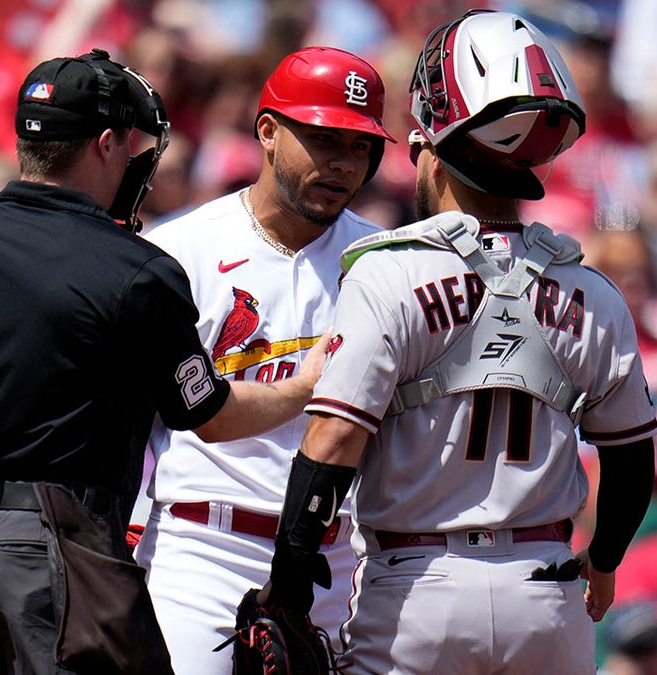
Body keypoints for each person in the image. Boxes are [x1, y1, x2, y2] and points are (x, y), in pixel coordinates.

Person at [0, 48, 329, 674]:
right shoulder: (136, 267)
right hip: (60, 547)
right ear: (105, 144)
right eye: (130, 145)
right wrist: (309, 382)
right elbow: (211, 415)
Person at [255, 9, 657, 674]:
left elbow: (331, 443)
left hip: (420, 588)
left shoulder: (389, 269)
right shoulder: (592, 290)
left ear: (431, 150)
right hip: (548, 589)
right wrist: (607, 556)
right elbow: (632, 455)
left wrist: (290, 588)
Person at [131, 45, 394, 672]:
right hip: (203, 548)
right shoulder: (178, 250)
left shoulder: (389, 263)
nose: (342, 163)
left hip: (337, 560)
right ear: (269, 132)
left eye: (359, 146)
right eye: (324, 138)